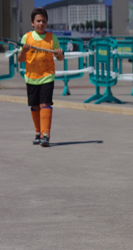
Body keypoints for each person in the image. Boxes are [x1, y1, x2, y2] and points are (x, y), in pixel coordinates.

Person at [18, 7, 64, 147]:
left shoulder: (52, 38)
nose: (41, 23)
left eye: (43, 21)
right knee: (35, 106)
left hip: (47, 76)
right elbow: (20, 59)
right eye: (38, 21)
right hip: (31, 77)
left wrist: (59, 53)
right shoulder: (27, 37)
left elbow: (60, 58)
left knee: (45, 104)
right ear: (32, 22)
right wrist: (24, 51)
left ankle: (46, 134)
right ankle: (38, 133)